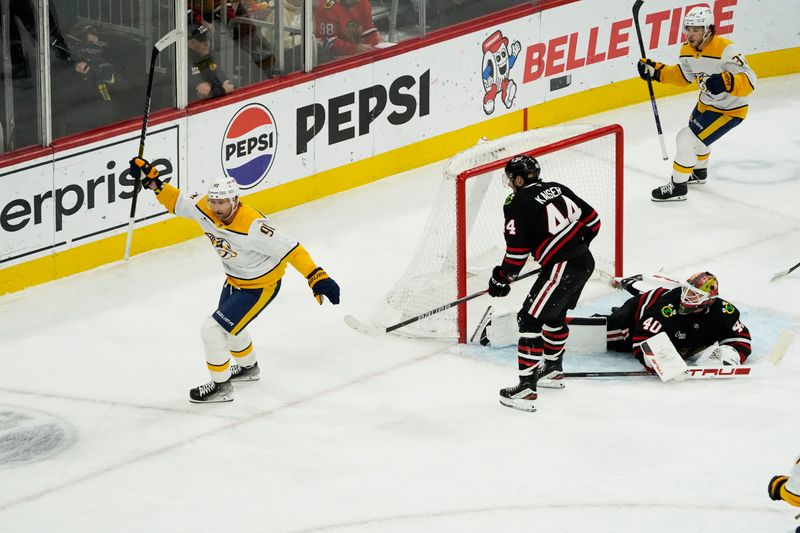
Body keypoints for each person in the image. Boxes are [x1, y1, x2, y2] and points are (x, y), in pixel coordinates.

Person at [129, 156, 341, 403]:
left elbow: (291, 249)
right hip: (234, 280)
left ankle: (221, 387)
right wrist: (153, 182)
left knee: (212, 329)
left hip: (259, 286)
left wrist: (316, 276)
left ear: (235, 201)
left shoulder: (254, 226)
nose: (216, 206)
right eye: (213, 200)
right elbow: (178, 203)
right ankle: (248, 368)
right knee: (230, 328)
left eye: (222, 202)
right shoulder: (205, 209)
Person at [487, 155, 600, 412]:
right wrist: (574, 245)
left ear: (518, 178)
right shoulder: (557, 187)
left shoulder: (516, 203)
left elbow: (517, 252)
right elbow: (593, 221)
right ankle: (552, 370)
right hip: (585, 262)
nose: (509, 184)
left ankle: (526, 388)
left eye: (510, 178)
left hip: (562, 267)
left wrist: (501, 278)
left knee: (528, 320)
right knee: (554, 315)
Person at [637, 6, 757, 202]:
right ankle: (699, 173)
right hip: (705, 104)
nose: (690, 34)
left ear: (708, 29)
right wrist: (657, 72)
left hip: (729, 110)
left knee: (686, 138)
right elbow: (683, 76)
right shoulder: (686, 50)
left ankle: (678, 187)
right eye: (688, 29)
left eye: (696, 30)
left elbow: (751, 79)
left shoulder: (726, 49)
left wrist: (729, 82)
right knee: (698, 139)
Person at [602, 272, 751, 371]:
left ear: (709, 299)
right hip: (632, 319)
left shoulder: (723, 311)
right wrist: (655, 360)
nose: (686, 296)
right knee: (612, 337)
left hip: (678, 338)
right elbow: (641, 338)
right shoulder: (665, 308)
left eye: (694, 294)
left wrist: (732, 354)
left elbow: (741, 340)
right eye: (686, 289)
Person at [313, 0, 382, 60]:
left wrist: (373, 47)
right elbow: (329, 44)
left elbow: (368, 29)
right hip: (331, 59)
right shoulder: (327, 8)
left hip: (355, 53)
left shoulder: (364, 3)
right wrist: (355, 48)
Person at [187, 24, 234, 102]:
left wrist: (210, 84)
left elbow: (226, 82)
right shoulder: (182, 62)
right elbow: (200, 94)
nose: (208, 44)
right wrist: (222, 90)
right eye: (203, 41)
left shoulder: (208, 55)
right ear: (191, 43)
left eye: (208, 40)